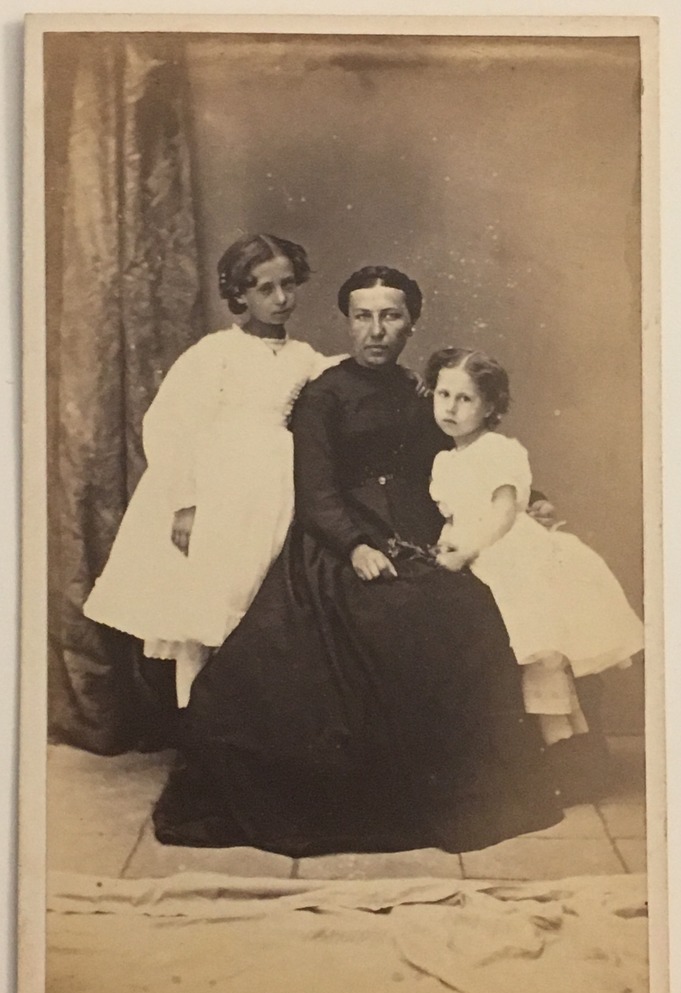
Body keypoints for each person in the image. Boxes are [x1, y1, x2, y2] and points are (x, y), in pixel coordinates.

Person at [152, 266, 564, 856]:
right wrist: (355, 547)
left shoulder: (421, 394)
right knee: (378, 619)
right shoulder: (324, 394)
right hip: (335, 547)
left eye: (390, 316)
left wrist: (538, 499)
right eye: (363, 317)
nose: (376, 330)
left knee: (466, 607)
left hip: (416, 537)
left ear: (411, 323)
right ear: (348, 322)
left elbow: (471, 453)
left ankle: (457, 787)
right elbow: (316, 491)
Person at [84, 234, 344, 706]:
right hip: (220, 492)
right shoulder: (215, 353)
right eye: (265, 289)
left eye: (288, 285)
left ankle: (248, 730)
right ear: (240, 294)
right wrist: (185, 503)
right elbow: (169, 424)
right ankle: (199, 726)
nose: (281, 298)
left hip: (273, 493)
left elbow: (337, 383)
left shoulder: (305, 357)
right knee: (204, 609)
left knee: (259, 609)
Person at [427, 346, 644, 746]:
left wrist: (467, 551)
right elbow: (456, 517)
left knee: (539, 646)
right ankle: (554, 744)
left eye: (465, 398)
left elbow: (504, 513)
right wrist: (447, 545)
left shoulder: (498, 450)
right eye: (443, 395)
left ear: (490, 405)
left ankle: (562, 743)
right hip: (473, 547)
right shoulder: (446, 460)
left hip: (508, 551)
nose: (451, 408)